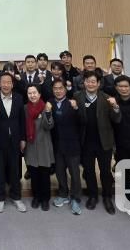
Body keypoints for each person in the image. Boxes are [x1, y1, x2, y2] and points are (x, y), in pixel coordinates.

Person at [73, 70, 121, 215]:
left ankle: (107, 197)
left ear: (99, 83)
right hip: (86, 141)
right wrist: (74, 109)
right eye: (88, 81)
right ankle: (93, 195)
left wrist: (115, 107)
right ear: (84, 83)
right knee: (88, 171)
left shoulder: (107, 98)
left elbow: (117, 119)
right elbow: (75, 119)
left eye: (93, 82)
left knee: (105, 171)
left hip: (104, 141)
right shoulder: (77, 96)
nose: (90, 84)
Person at [0, 73, 27, 213]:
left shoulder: (19, 98)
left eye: (8, 82)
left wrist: (23, 138)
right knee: (0, 169)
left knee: (15, 169)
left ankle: (16, 197)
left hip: (15, 140)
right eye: (3, 82)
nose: (6, 85)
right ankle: (0, 198)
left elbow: (22, 120)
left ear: (12, 84)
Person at [49, 79, 82, 215]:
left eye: (60, 88)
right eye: (55, 88)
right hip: (57, 144)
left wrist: (76, 108)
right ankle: (63, 194)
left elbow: (83, 121)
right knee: (59, 171)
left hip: (72, 144)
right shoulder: (49, 103)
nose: (58, 91)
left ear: (65, 89)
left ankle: (75, 198)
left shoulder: (73, 102)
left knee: (74, 173)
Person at [24, 84, 55, 211]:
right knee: (34, 174)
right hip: (31, 145)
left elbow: (49, 126)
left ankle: (45, 199)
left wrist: (47, 112)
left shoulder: (45, 107)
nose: (32, 95)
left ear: (39, 94)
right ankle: (36, 197)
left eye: (34, 93)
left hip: (44, 146)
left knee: (44, 175)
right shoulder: (25, 108)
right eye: (29, 93)